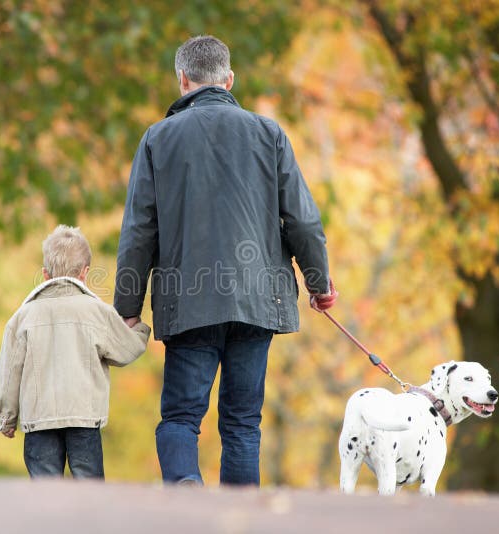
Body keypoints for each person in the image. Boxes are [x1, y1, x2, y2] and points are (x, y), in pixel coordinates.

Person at [114, 35, 337, 486]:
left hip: (189, 302)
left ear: (183, 80)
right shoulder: (268, 133)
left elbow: (139, 231)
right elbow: (302, 220)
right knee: (242, 423)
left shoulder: (158, 138)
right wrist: (319, 283)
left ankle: (187, 499)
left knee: (180, 417)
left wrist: (126, 309)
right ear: (229, 79)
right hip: (258, 301)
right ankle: (240, 519)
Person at [0, 225, 150, 479]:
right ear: (85, 273)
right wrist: (140, 330)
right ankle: (87, 520)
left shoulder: (23, 317)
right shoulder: (96, 312)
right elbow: (126, 349)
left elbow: (10, 371)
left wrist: (6, 418)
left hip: (39, 421)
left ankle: (50, 519)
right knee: (88, 487)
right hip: (84, 419)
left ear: (45, 274)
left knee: (45, 490)